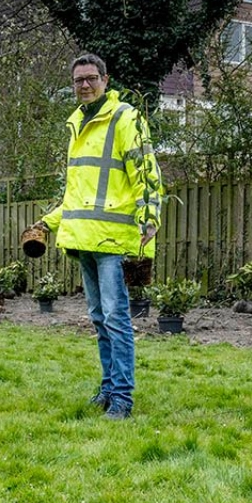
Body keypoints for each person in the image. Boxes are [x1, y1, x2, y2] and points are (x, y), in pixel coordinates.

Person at [34, 53, 162, 420]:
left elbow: (146, 173)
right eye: (79, 80)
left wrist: (150, 216)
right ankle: (108, 389)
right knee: (99, 318)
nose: (85, 85)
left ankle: (122, 398)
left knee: (115, 318)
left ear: (106, 80)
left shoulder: (125, 118)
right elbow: (77, 195)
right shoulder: (77, 124)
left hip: (113, 240)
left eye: (92, 78)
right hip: (84, 238)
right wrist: (47, 222)